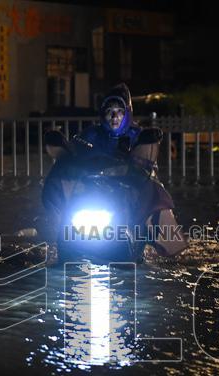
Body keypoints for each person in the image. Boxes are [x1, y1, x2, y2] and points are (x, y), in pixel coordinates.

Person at [42, 83, 183, 256]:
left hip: (128, 193)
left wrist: (142, 157)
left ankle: (160, 246)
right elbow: (73, 151)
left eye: (119, 111)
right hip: (92, 191)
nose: (114, 116)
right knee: (65, 219)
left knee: (154, 204)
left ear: (127, 113)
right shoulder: (91, 134)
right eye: (109, 111)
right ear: (103, 114)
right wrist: (63, 150)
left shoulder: (137, 135)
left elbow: (145, 163)